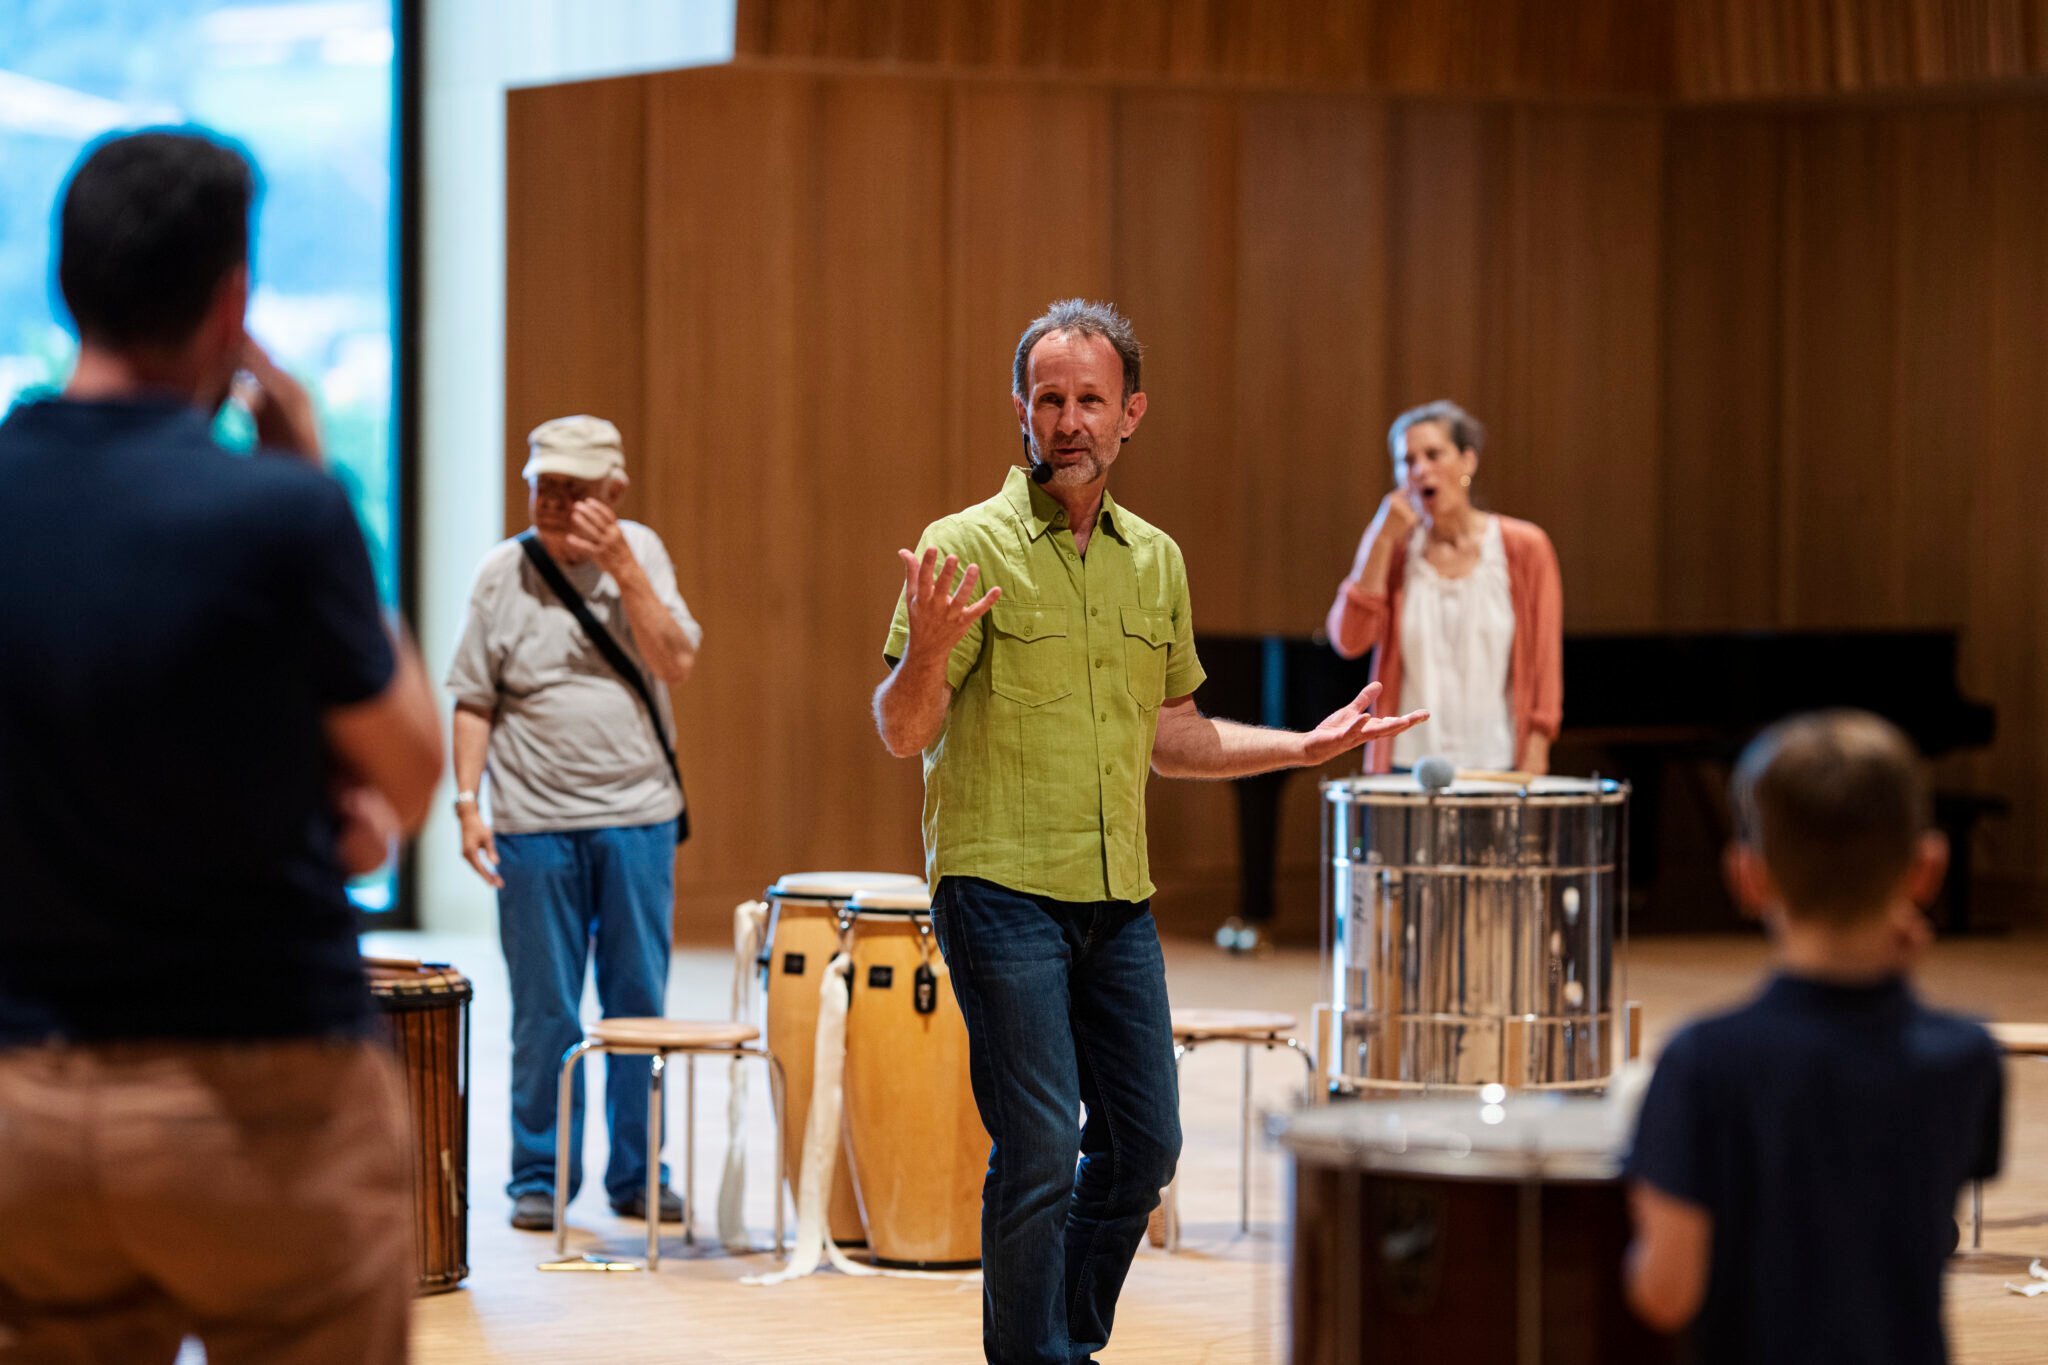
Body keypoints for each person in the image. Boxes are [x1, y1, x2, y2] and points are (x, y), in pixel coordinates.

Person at [873, 298, 1427, 1365]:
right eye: (1048, 399)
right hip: (998, 889)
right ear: (1021, 413)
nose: (1068, 419)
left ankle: (1064, 1340)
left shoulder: (1154, 562)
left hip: (1114, 897)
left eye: (1090, 399)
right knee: (1037, 1145)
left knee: (1142, 1147)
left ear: (1131, 413)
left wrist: (1301, 747)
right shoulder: (962, 549)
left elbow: (1172, 735)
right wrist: (926, 651)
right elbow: (904, 733)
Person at [0, 128, 443, 1363]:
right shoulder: (278, 513)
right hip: (259, 1102)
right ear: (232, 301)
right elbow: (407, 770)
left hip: (22, 1102)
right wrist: (316, 474)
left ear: (66, 282)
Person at [1623, 710, 2004, 1364]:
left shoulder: (1703, 1061)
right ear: (1927, 869)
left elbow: (1667, 1293)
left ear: (1746, 875)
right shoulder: (1967, 1055)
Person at [447, 414, 702, 1231]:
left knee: (636, 1001)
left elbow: (677, 660)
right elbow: (472, 696)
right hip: (531, 820)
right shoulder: (501, 573)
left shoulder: (644, 552)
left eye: (574, 490)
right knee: (543, 1008)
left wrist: (624, 567)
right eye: (544, 487)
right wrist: (464, 801)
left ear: (613, 493)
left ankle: (639, 1171)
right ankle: (538, 1174)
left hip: (636, 816)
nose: (555, 504)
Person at [1324, 400, 1562, 775]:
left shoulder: (1525, 547)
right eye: (1408, 461)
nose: (1420, 470)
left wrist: (1535, 754)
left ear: (1468, 461)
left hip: (1497, 763)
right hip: (1405, 765)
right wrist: (1380, 540)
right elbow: (1349, 640)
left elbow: (1546, 663)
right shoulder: (1397, 553)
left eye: (1434, 454)